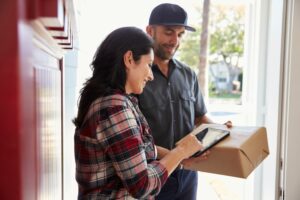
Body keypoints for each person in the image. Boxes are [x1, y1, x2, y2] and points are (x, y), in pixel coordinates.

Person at [73, 27, 203, 200]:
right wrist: (180, 151)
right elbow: (142, 186)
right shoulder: (114, 107)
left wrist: (183, 157)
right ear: (129, 59)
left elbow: (138, 148)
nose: (151, 76)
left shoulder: (121, 100)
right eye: (148, 65)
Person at [138, 3, 232, 200]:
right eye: (169, 32)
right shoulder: (137, 76)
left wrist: (221, 130)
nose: (175, 40)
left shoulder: (188, 74)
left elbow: (199, 116)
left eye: (180, 34)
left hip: (188, 174)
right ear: (150, 30)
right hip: (154, 173)